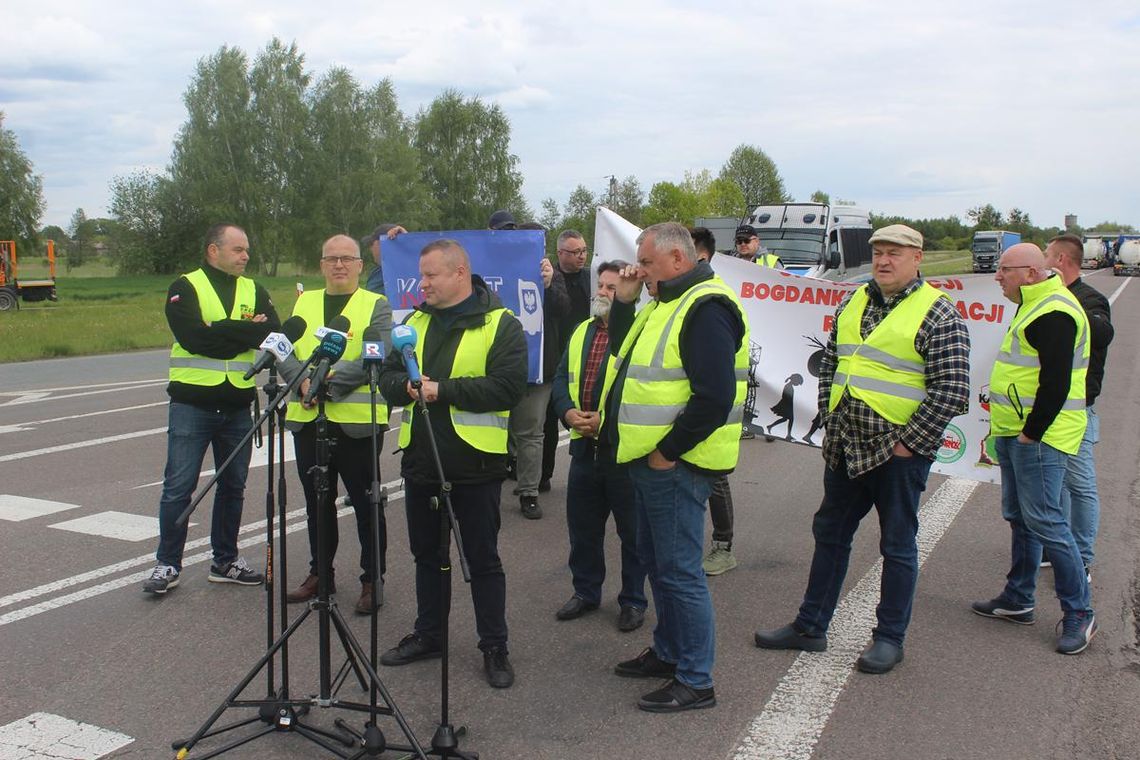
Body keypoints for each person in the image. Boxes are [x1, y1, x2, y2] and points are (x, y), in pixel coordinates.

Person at [754, 224, 971, 674]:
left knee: (897, 545)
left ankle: (890, 638)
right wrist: (832, 421)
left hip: (897, 455)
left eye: (895, 253)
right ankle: (810, 626)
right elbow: (833, 361)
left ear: (917, 258)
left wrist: (910, 443)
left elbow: (952, 389)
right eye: (878, 254)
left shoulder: (939, 313)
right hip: (847, 444)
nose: (884, 261)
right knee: (829, 535)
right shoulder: (854, 300)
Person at [602, 222, 749, 713]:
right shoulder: (665, 302)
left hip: (676, 465)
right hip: (651, 461)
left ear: (678, 260)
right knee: (657, 561)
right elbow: (625, 358)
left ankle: (696, 679)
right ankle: (668, 653)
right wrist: (624, 300)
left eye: (646, 263)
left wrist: (667, 452)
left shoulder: (706, 307)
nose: (638, 270)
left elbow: (714, 398)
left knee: (680, 571)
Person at [377, 239, 528, 688]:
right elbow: (386, 376)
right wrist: (401, 387)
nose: (421, 284)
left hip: (475, 465)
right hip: (422, 462)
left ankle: (494, 646)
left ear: (459, 273)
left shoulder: (500, 324)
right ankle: (430, 635)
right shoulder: (414, 322)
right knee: (427, 556)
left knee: (482, 559)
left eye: (430, 276)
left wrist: (441, 391)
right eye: (421, 276)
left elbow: (507, 388)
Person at [972, 243, 1096, 655]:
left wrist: (1031, 433)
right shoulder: (1032, 302)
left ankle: (1079, 611)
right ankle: (1019, 598)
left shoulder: (1054, 311)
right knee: (1021, 517)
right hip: (1014, 432)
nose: (997, 277)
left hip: (1039, 438)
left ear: (1028, 272)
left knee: (1047, 523)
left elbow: (1057, 383)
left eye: (1003, 270)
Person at [143, 223, 281, 594]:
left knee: (233, 486)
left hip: (237, 404)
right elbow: (192, 337)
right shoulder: (185, 286)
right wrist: (242, 331)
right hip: (193, 403)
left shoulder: (254, 288)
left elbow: (273, 335)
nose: (245, 256)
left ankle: (225, 560)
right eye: (237, 249)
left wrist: (220, 329)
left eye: (246, 249)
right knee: (178, 487)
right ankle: (167, 564)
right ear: (213, 251)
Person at [279, 235, 393, 615]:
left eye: (347, 258)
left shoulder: (375, 303)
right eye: (332, 259)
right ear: (321, 264)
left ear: (361, 265)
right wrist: (302, 382)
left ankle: (371, 578)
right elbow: (285, 347)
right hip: (309, 422)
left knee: (366, 504)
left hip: (357, 425)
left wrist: (326, 382)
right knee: (317, 504)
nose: (339, 265)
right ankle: (319, 575)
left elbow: (374, 354)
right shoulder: (305, 301)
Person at [550, 260, 648, 631]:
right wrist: (567, 412)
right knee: (583, 530)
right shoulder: (581, 332)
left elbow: (640, 391)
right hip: (583, 450)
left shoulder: (637, 332)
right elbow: (562, 377)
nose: (603, 293)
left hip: (622, 451)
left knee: (632, 533)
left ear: (627, 294)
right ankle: (586, 592)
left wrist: (605, 421)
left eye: (611, 288)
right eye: (601, 287)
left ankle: (633, 600)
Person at [1042, 233, 1113, 578]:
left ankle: (1081, 557)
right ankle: (1059, 547)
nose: (1042, 261)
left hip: (1077, 408)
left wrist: (1064, 313)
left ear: (1060, 261)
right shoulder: (1048, 297)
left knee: (1079, 484)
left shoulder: (1089, 299)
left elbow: (1102, 333)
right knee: (1055, 483)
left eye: (1046, 255)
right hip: (1047, 404)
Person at [491, 212, 569, 519]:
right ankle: (491, 485)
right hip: (498, 367)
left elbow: (563, 309)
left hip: (537, 369)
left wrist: (549, 285)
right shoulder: (492, 270)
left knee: (531, 433)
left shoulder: (551, 274)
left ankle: (529, 492)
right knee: (496, 430)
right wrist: (400, 241)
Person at [690, 226, 739, 576]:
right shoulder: (687, 295)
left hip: (714, 412)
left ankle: (723, 546)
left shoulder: (715, 299)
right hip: (693, 405)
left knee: (714, 480)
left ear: (701, 257)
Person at [541, 229, 594, 492]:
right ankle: (543, 475)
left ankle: (589, 473)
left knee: (585, 415)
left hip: (587, 358)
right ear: (560, 253)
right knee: (550, 419)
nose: (582, 256)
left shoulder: (592, 278)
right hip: (556, 357)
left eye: (584, 250)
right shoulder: (550, 278)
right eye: (575, 252)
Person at [361, 223, 407, 297]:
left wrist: (408, 240)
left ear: (380, 243)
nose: (370, 249)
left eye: (371, 244)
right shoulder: (378, 271)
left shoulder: (411, 269)